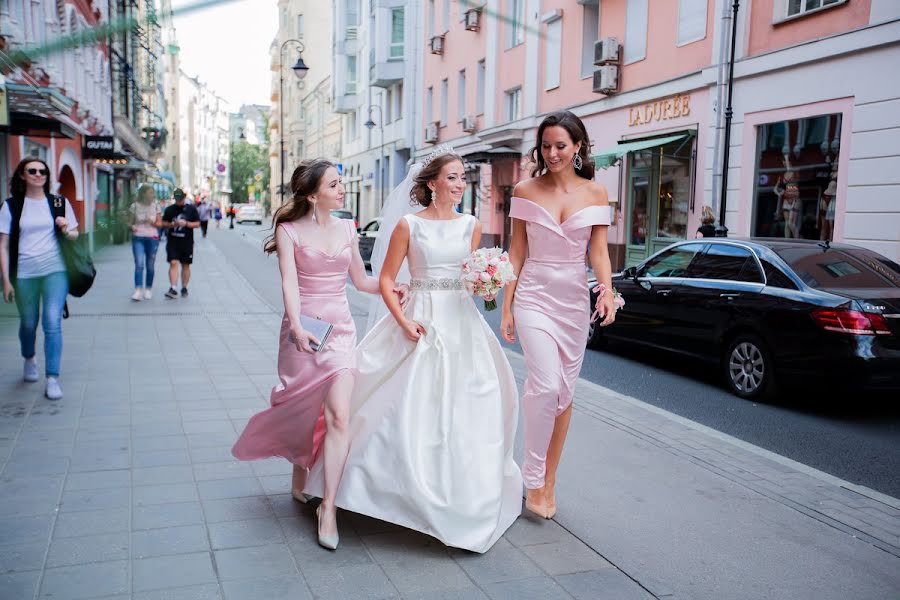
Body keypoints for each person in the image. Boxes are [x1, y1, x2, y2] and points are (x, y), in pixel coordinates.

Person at [303, 150, 522, 554]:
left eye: (462, 179)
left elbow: (468, 279)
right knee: (399, 405)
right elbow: (386, 280)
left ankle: (460, 498)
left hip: (461, 322)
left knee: (467, 406)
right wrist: (404, 323)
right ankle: (358, 490)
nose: (458, 185)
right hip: (418, 316)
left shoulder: (471, 226)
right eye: (452, 178)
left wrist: (486, 283)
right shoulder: (409, 225)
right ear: (432, 183)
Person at [232, 160, 407, 551]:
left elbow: (360, 280)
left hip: (341, 332)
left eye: (341, 182)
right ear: (313, 195)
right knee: (302, 406)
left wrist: (391, 288)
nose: (343, 189)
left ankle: (327, 506)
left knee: (338, 415)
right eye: (334, 184)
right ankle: (300, 465)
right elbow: (289, 283)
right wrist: (295, 324)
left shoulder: (347, 228)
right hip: (304, 331)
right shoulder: (289, 231)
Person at [500, 111, 616, 519]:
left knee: (564, 395)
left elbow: (598, 253)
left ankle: (549, 480)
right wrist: (507, 306)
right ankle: (533, 476)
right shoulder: (525, 190)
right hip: (533, 293)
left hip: (572, 300)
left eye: (560, 146)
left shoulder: (596, 194)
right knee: (546, 384)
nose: (552, 153)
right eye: (546, 146)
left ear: (578, 147)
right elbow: (516, 251)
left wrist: (607, 291)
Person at [0, 158, 79, 400]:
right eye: (32, 171)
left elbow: (75, 235)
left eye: (42, 171)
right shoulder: (10, 206)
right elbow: (2, 245)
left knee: (52, 322)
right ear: (22, 175)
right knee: (28, 322)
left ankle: (52, 378)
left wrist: (67, 229)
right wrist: (6, 280)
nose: (38, 174)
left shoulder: (59, 203)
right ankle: (29, 357)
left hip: (55, 271)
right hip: (24, 273)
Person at [162, 188, 200, 298]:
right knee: (173, 262)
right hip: (173, 241)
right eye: (177, 199)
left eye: (180, 199)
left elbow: (197, 224)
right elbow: (164, 223)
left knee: (185, 264)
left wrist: (186, 223)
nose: (178, 201)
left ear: (184, 197)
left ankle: (184, 287)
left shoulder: (191, 209)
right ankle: (173, 288)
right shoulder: (170, 209)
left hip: (186, 242)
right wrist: (172, 225)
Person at [129, 184, 162, 300]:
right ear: (143, 194)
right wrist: (132, 227)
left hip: (153, 237)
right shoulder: (134, 206)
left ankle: (148, 289)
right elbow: (129, 222)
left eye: (153, 193)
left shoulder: (156, 206)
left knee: (150, 265)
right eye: (150, 192)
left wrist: (151, 222)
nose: (152, 195)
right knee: (139, 264)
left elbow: (160, 224)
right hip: (138, 237)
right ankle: (138, 290)